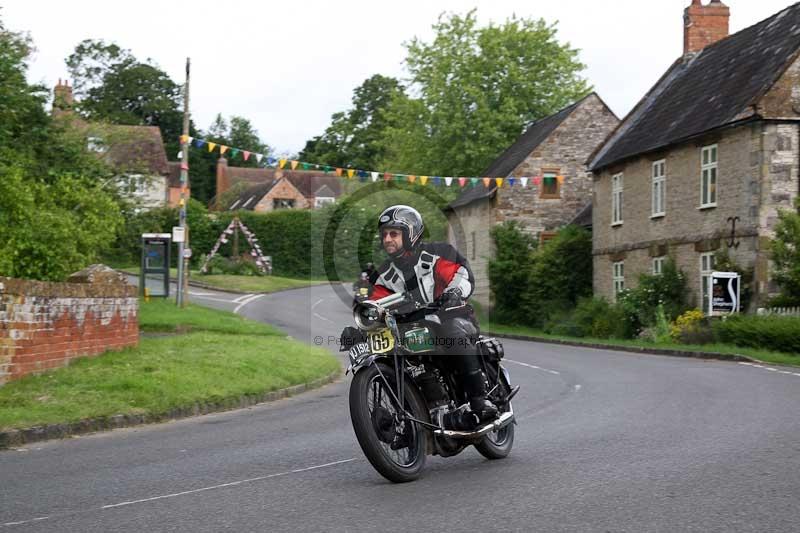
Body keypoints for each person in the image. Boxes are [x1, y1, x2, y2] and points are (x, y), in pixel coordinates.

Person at [368, 204, 497, 423]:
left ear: (411, 233)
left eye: (394, 233)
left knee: (451, 331)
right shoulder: (383, 275)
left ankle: (479, 400)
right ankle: (418, 413)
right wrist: (366, 317)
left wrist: (454, 292)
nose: (387, 239)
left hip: (452, 317)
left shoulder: (439, 254)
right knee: (393, 353)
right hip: (413, 329)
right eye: (384, 234)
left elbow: (461, 274)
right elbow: (374, 301)